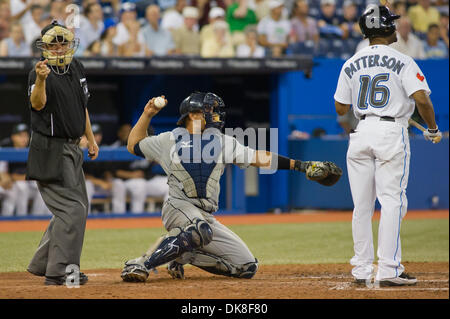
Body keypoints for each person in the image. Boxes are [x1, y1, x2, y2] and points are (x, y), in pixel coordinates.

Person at [120, 92, 342, 282]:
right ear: (195, 115)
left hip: (205, 216)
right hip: (178, 207)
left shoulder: (223, 141)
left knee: (246, 267)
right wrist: (147, 114)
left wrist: (301, 166)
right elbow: (134, 145)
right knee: (199, 229)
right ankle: (141, 264)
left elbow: (259, 157)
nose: (216, 114)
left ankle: (183, 255)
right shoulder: (168, 139)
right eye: (210, 110)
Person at [334, 5, 441, 287]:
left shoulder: (351, 62)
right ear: (385, 28)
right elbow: (422, 99)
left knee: (362, 207)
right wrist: (432, 128)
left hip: (361, 131)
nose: (396, 26)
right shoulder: (402, 60)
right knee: (392, 201)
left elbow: (340, 106)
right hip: (390, 131)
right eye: (391, 23)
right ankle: (390, 269)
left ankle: (360, 269)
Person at [26, 21, 99, 286]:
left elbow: (83, 106)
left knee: (76, 209)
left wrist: (90, 139)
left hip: (73, 146)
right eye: (52, 44)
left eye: (63, 43)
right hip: (51, 149)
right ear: (44, 47)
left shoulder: (77, 67)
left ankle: (43, 263)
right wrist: (42, 80)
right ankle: (59, 272)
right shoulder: (39, 72)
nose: (58, 48)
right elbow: (38, 104)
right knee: (73, 210)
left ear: (70, 44)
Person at [0, 123, 50, 216]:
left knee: (43, 188)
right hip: (11, 185)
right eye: (20, 135)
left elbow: (38, 173)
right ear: (13, 137)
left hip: (27, 182)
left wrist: (16, 177)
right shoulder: (6, 147)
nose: (24, 138)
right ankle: (14, 220)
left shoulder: (32, 149)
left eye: (26, 135)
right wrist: (11, 177)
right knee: (21, 187)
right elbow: (3, 172)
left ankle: (35, 220)